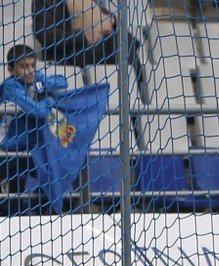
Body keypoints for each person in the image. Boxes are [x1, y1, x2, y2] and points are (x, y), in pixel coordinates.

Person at [0, 45, 68, 215]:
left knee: (55, 177)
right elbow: (40, 111)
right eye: (24, 66)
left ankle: (42, 214)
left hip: (28, 150)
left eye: (33, 66)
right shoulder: (10, 87)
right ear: (11, 69)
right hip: (6, 153)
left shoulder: (36, 80)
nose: (30, 70)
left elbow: (63, 81)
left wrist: (42, 81)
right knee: (9, 202)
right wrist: (49, 98)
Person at [33, 0, 144, 81]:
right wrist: (83, 36)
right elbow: (46, 36)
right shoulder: (44, 2)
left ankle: (133, 91)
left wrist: (112, 21)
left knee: (121, 40)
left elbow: (104, 17)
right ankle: (134, 92)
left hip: (95, 48)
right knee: (120, 43)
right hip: (67, 53)